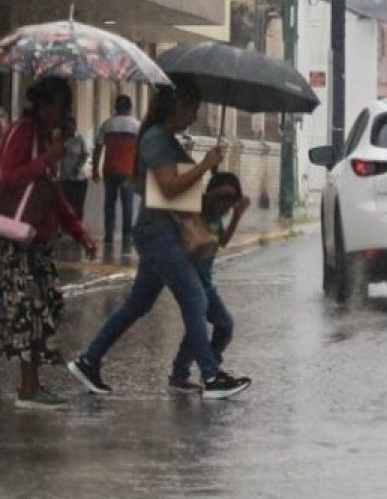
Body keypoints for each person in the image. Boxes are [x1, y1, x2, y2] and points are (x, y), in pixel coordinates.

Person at [68, 86, 251, 400]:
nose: (194, 116)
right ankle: (210, 375)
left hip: (164, 232)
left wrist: (212, 191)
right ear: (177, 106)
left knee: (137, 305)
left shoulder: (166, 140)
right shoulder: (154, 138)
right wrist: (206, 164)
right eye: (192, 109)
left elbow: (180, 192)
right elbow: (168, 188)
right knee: (195, 300)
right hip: (159, 235)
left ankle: (89, 360)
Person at [0, 77, 96, 409]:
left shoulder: (44, 138)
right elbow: (5, 177)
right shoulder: (23, 131)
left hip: (37, 241)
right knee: (27, 312)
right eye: (59, 107)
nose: (63, 115)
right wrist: (46, 158)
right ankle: (29, 388)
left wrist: (78, 231)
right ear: (44, 104)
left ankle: (32, 385)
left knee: (41, 310)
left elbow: (52, 193)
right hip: (15, 240)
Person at [168, 171, 251, 393]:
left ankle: (204, 367)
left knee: (224, 325)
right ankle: (192, 373)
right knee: (197, 328)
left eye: (230, 203)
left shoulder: (215, 220)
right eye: (223, 201)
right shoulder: (197, 214)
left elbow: (223, 242)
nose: (226, 208)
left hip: (206, 284)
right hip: (190, 281)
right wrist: (217, 192)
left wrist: (236, 215)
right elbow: (194, 201)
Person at [93, 94, 140, 247]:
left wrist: (95, 168)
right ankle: (127, 236)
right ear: (130, 108)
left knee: (109, 203)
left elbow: (98, 148)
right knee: (127, 204)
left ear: (115, 107)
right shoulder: (136, 126)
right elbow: (141, 150)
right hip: (128, 171)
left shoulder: (107, 124)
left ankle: (108, 234)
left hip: (110, 170)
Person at [58, 116, 89, 221]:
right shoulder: (59, 140)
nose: (69, 129)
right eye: (66, 127)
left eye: (71, 126)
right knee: (65, 203)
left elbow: (85, 155)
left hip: (79, 178)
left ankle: (78, 224)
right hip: (64, 177)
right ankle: (64, 225)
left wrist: (77, 167)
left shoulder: (79, 139)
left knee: (78, 204)